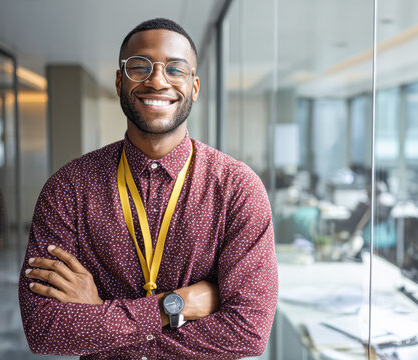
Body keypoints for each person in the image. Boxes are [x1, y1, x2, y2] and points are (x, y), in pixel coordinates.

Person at [18, 18, 278, 359]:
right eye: (139, 67)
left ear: (194, 87)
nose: (157, 80)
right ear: (119, 81)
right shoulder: (68, 188)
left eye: (175, 69)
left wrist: (100, 313)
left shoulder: (237, 188)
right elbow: (44, 329)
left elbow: (248, 332)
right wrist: (177, 305)